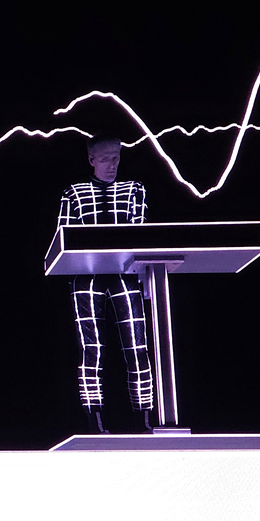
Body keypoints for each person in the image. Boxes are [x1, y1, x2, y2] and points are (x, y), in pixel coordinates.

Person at [59, 137, 154, 434]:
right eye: (105, 159)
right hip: (86, 275)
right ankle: (94, 421)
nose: (112, 165)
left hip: (124, 273)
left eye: (116, 158)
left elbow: (139, 231)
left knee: (137, 346)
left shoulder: (134, 189)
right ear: (92, 160)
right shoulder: (74, 193)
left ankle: (143, 419)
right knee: (91, 349)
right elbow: (63, 238)